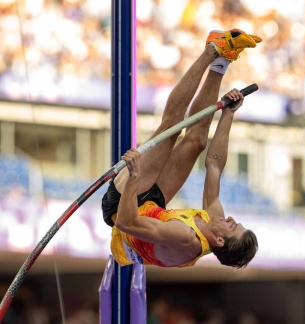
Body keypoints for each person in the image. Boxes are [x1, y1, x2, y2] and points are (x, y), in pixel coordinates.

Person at [101, 28, 261, 269]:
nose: (230, 219)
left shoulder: (185, 239)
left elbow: (126, 222)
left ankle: (212, 50)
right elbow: (214, 165)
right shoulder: (213, 220)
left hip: (125, 205)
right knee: (196, 140)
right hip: (153, 205)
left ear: (218, 240)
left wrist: (134, 176)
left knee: (172, 126)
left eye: (232, 226)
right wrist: (228, 114)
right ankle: (221, 62)